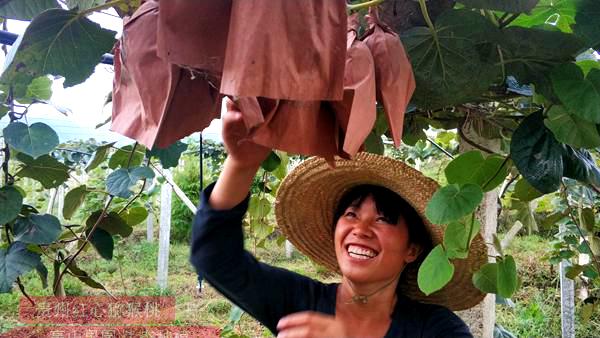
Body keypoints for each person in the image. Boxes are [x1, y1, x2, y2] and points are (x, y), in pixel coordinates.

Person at [190, 99, 487, 337]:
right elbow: (215, 258)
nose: (360, 228)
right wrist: (241, 164)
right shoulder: (300, 300)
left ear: (413, 249)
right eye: (351, 214)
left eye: (382, 219)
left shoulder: (436, 328)